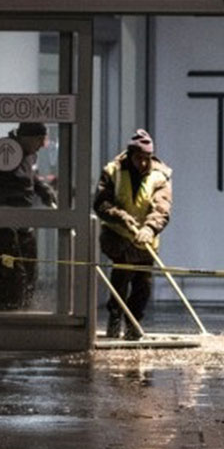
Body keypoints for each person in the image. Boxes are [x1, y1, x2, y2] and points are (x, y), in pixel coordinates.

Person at [93, 129, 172, 340]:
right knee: (120, 280)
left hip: (144, 241)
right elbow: (101, 203)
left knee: (142, 286)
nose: (144, 164)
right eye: (139, 158)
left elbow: (162, 208)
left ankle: (133, 326)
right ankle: (115, 319)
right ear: (130, 155)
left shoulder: (160, 175)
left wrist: (149, 228)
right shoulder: (113, 171)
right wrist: (120, 216)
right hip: (117, 238)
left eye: (147, 158)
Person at [0, 122, 56, 311]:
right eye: (40, 139)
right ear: (27, 137)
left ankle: (24, 312)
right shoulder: (4, 151)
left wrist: (42, 188)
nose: (43, 145)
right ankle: (10, 315)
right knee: (11, 271)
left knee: (30, 270)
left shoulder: (26, 154)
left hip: (22, 221)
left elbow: (27, 177)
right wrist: (0, 216)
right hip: (3, 223)